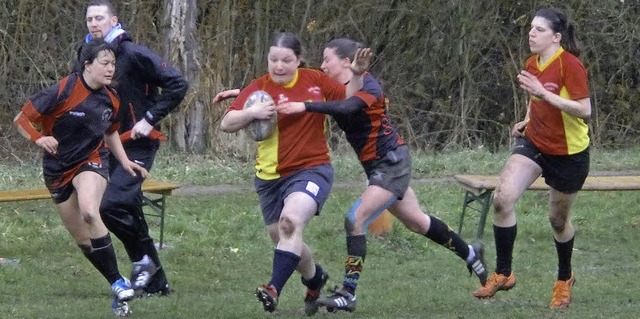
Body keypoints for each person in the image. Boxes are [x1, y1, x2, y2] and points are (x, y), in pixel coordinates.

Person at [276, 37, 488, 313]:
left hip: (391, 164)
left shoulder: (371, 86)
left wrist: (307, 105)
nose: (322, 64)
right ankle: (472, 254)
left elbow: (348, 107)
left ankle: (348, 293)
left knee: (355, 219)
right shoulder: (332, 86)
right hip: (379, 167)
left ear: (345, 61)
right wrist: (245, 94)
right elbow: (289, 86)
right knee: (417, 222)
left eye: (327, 59)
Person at [218, 31, 370, 315]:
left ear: (299, 60)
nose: (278, 66)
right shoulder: (258, 88)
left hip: (312, 169)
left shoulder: (315, 80)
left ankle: (273, 288)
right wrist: (253, 113)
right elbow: (227, 123)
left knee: (290, 223)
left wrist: (357, 75)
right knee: (284, 238)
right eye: (273, 59)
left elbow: (352, 98)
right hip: (269, 179)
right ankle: (315, 279)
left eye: (286, 60)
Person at [13, 38, 149, 315]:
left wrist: (124, 161)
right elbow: (21, 119)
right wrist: (40, 139)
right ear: (87, 64)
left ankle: (124, 281)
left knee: (90, 211)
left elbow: (110, 131)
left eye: (113, 63)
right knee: (84, 241)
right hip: (57, 169)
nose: (111, 69)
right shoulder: (63, 90)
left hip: (92, 160)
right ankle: (119, 282)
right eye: (105, 63)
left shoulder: (112, 97)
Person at [471, 8, 591, 309]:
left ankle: (564, 279)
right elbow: (534, 99)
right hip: (535, 143)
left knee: (557, 220)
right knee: (502, 199)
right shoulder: (531, 63)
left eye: (539, 30)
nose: (531, 34)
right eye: (531, 28)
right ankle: (504, 272)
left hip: (569, 154)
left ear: (556, 37)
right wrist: (526, 120)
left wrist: (543, 94)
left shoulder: (570, 65)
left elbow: (584, 109)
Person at [80, 0, 188, 298]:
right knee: (128, 207)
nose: (93, 23)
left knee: (109, 206)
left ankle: (142, 262)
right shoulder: (87, 55)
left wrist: (150, 117)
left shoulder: (134, 53)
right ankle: (156, 281)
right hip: (109, 145)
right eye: (89, 19)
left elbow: (178, 83)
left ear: (113, 20)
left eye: (99, 17)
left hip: (139, 142)